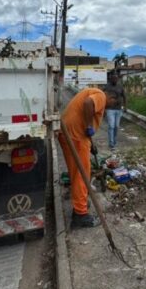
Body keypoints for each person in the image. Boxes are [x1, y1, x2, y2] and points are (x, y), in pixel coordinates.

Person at [58, 87, 117, 228]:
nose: (109, 107)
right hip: (76, 137)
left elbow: (83, 118)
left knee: (76, 173)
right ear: (111, 97)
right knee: (82, 175)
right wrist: (89, 126)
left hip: (69, 134)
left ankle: (80, 203)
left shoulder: (92, 91)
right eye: (112, 103)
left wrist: (91, 143)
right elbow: (88, 103)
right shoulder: (101, 96)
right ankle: (80, 215)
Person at [103, 71, 127, 152]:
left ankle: (114, 142)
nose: (115, 79)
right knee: (111, 126)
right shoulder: (107, 87)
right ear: (111, 78)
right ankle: (111, 144)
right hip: (110, 109)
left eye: (116, 78)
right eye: (113, 78)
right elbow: (102, 95)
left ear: (117, 78)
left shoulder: (120, 87)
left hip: (118, 109)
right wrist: (103, 108)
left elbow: (124, 97)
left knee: (116, 126)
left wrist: (125, 107)